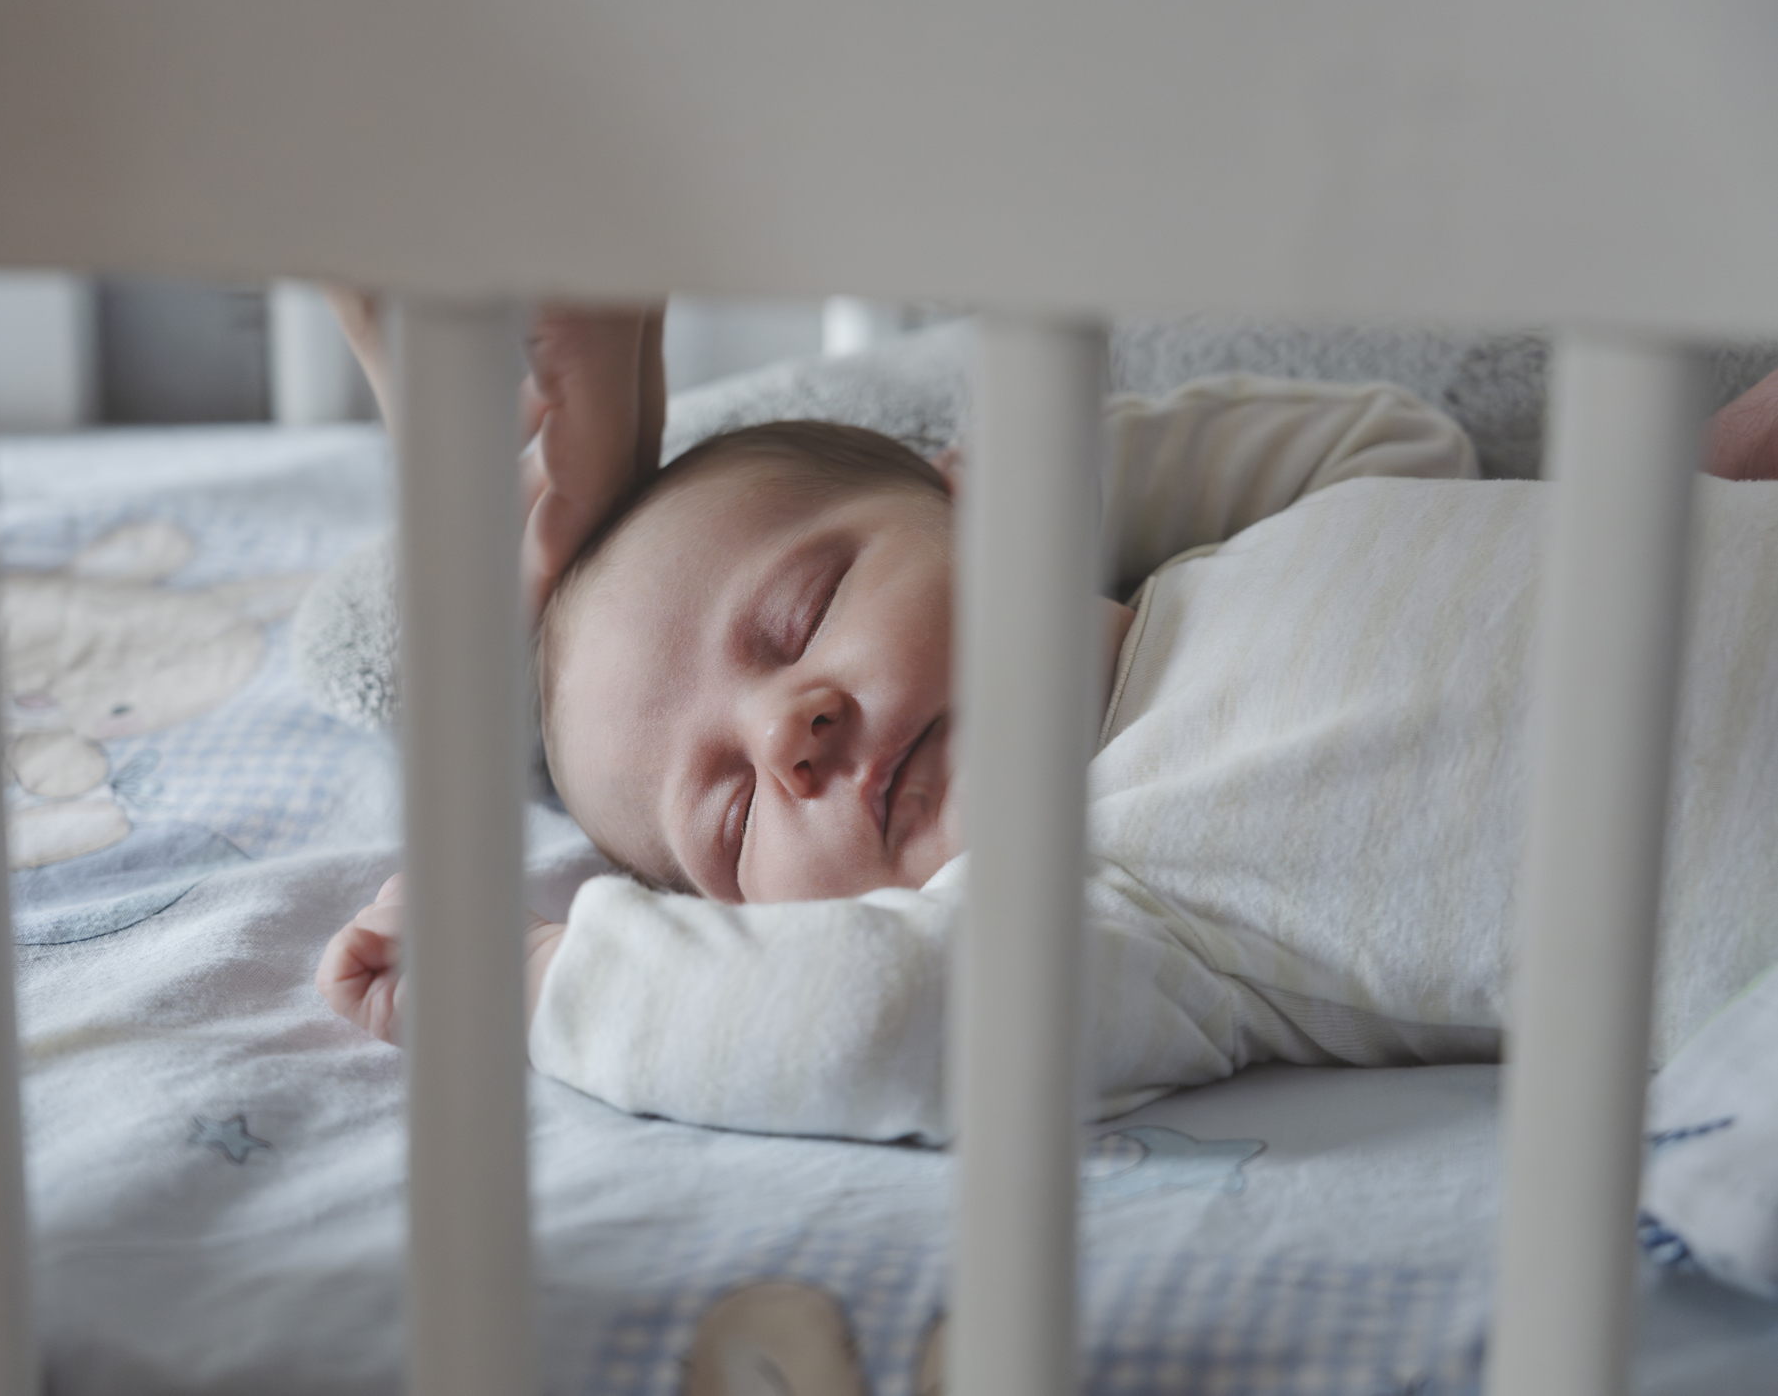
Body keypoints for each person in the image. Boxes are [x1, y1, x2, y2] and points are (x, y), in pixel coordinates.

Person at [317, 294, 1778, 1146]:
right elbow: (860, 1019)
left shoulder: (1260, 538)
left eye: (799, 615)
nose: (792, 734)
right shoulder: (1115, 900)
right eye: (733, 813)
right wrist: (540, 976)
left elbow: (1400, 442)